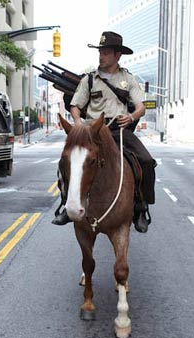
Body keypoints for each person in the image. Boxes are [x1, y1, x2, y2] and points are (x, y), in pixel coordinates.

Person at [52, 31, 156, 233]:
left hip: (119, 130)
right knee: (66, 162)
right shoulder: (89, 80)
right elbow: (75, 105)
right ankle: (66, 204)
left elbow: (141, 106)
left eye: (106, 52)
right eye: (100, 52)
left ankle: (141, 207)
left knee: (146, 161)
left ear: (118, 55)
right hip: (93, 131)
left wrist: (132, 117)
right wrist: (77, 123)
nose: (101, 56)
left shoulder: (129, 79)